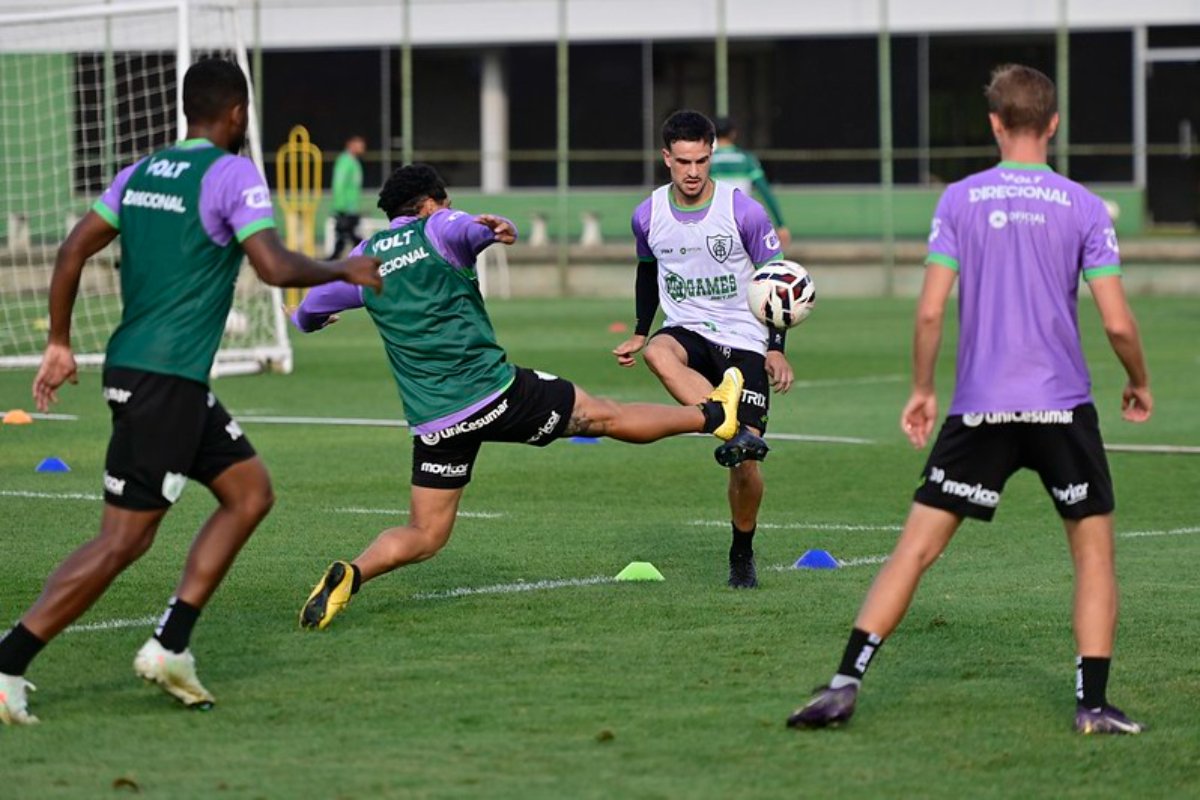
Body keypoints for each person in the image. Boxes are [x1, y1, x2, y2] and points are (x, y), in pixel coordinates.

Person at [0, 59, 381, 726]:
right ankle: (8, 662)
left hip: (146, 373)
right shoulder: (233, 173)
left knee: (250, 491)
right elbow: (272, 265)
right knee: (121, 542)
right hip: (166, 381)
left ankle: (171, 645)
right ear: (237, 114)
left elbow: (69, 253)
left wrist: (59, 341)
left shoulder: (140, 171)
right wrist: (342, 266)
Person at [786, 64, 1152, 735]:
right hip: (1061, 406)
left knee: (915, 551)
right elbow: (1119, 322)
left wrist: (924, 389)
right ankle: (1093, 706)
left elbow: (929, 313)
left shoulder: (959, 199)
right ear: (1053, 123)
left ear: (992, 123)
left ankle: (843, 683)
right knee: (1093, 555)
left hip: (979, 406)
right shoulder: (1084, 206)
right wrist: (1138, 379)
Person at [293, 164, 766, 631]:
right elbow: (471, 229)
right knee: (602, 416)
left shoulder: (365, 257)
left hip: (434, 420)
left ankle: (352, 575)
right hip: (492, 392)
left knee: (425, 534)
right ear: (431, 202)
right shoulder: (438, 225)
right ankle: (713, 414)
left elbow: (311, 307)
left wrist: (310, 322)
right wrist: (499, 228)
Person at [612, 110, 792, 590]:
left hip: (745, 338)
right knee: (656, 353)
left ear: (712, 155)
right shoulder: (647, 214)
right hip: (686, 327)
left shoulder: (743, 212)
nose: (693, 172)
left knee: (745, 464)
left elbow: (777, 281)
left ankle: (741, 552)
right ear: (666, 157)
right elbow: (648, 272)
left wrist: (776, 347)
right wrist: (638, 329)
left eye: (703, 161)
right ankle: (724, 418)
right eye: (684, 161)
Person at [710, 116, 791, 249]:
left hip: (716, 221)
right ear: (733, 133)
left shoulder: (708, 160)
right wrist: (780, 224)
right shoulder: (747, 159)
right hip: (743, 221)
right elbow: (765, 192)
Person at [328, 134, 366, 259]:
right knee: (348, 235)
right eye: (359, 144)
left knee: (346, 236)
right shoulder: (345, 161)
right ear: (351, 144)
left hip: (351, 208)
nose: (362, 148)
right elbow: (339, 185)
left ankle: (333, 260)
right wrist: (341, 207)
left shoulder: (354, 162)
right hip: (345, 208)